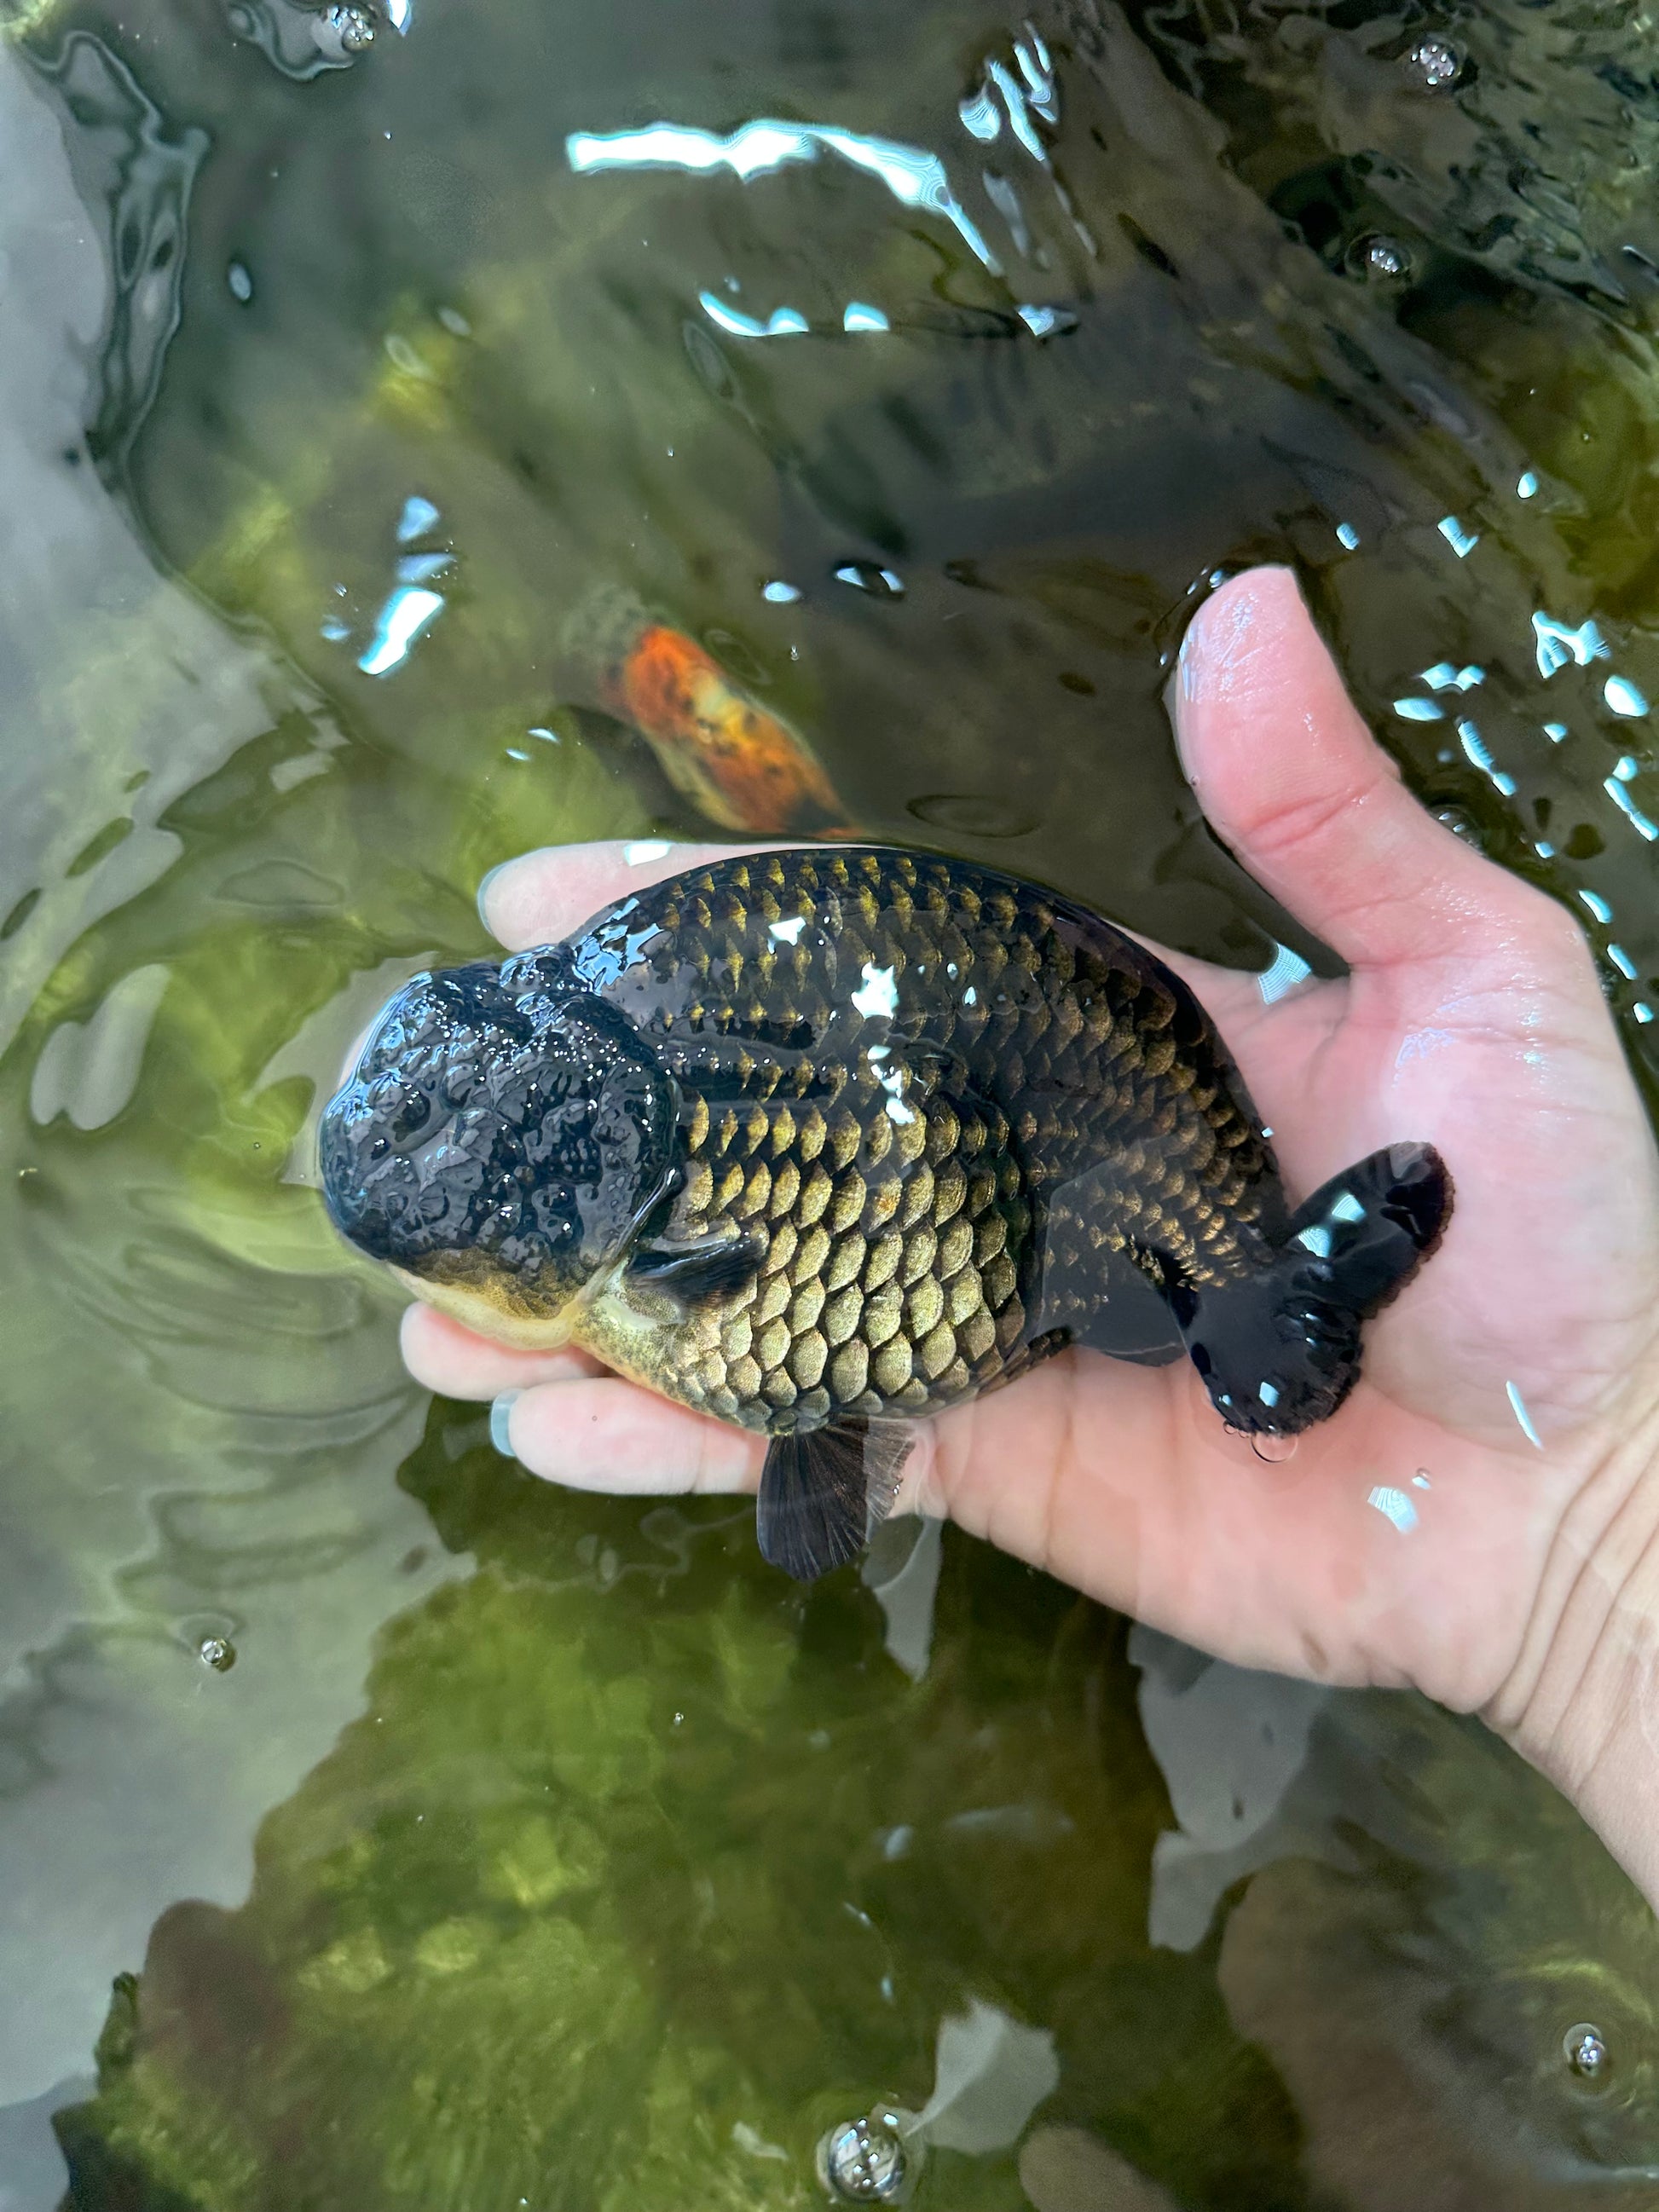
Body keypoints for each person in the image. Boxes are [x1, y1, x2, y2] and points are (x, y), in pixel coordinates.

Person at [400, 565, 1659, 1909]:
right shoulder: (629, 1020)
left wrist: (1603, 1503)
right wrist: (1586, 1552)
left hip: (1056, 1160)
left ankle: (1256, 1302)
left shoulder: (651, 1123)